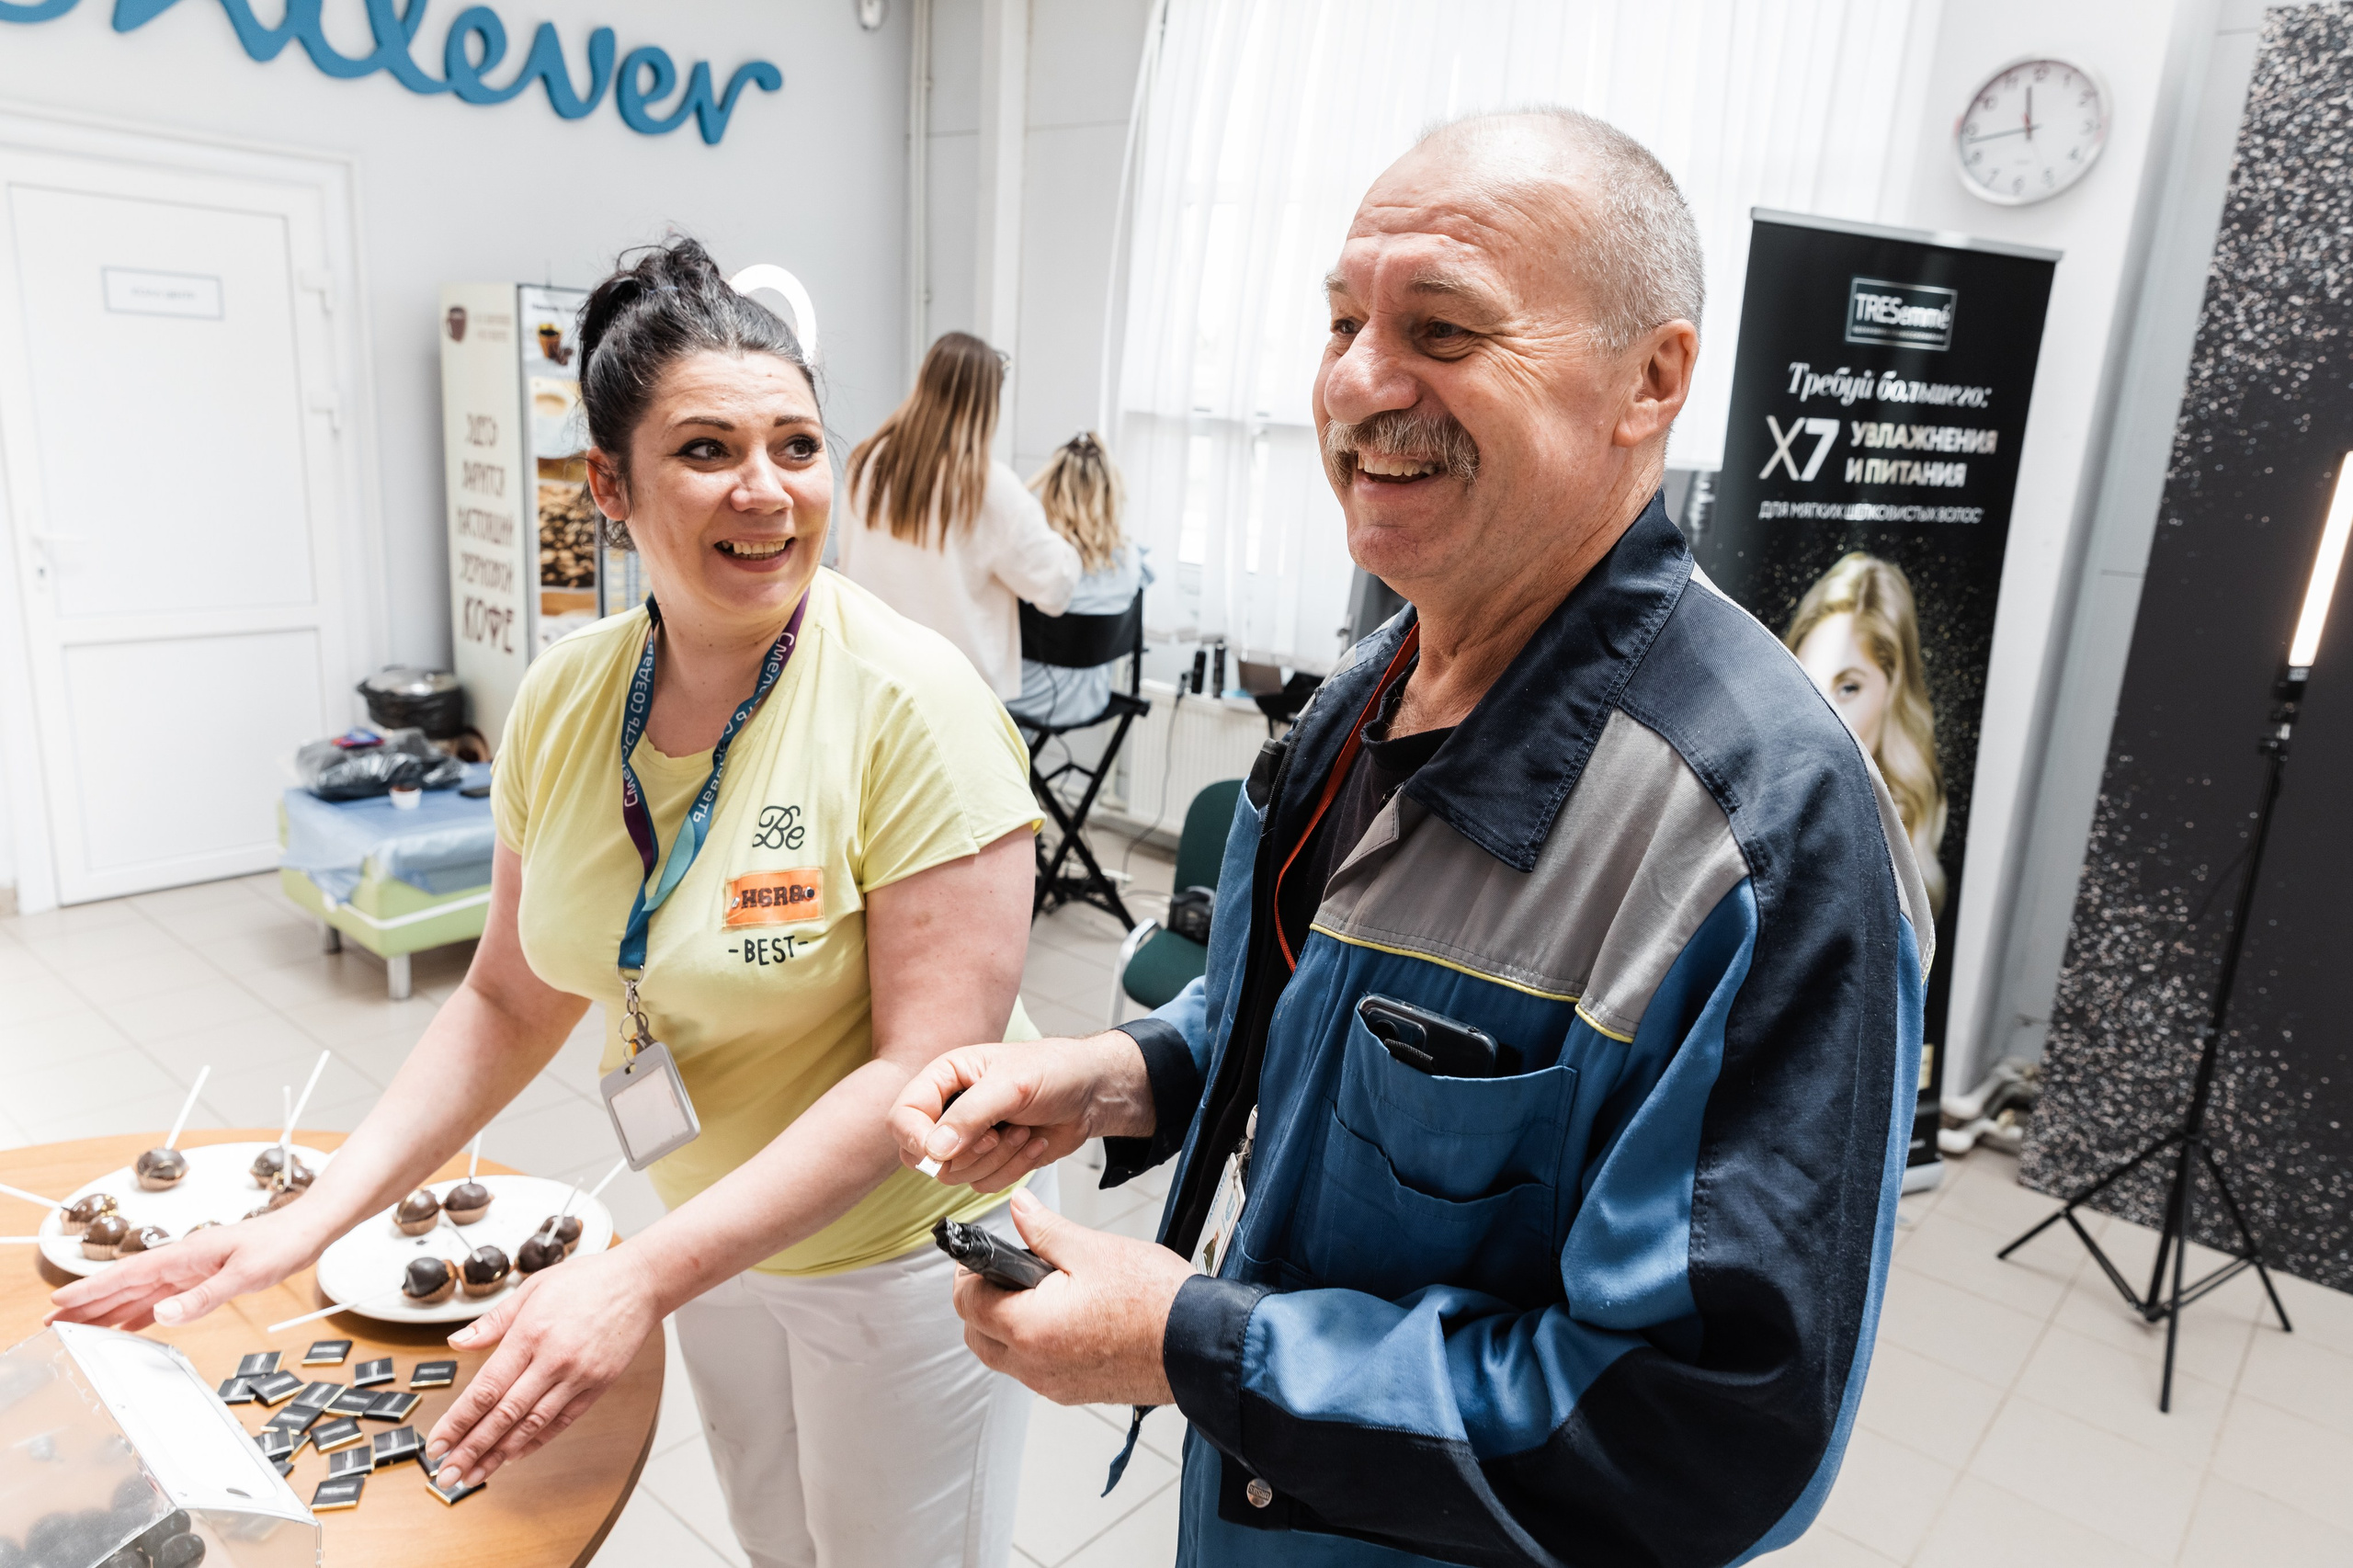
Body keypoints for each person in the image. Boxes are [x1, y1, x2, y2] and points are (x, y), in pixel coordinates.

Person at [888, 108, 1932, 1567]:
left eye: (1441, 327)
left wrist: (1195, 1343)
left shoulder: (1759, 835)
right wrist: (1130, 1073)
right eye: (1339, 320)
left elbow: (1700, 1434)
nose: (1361, 384)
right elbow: (1336, 1014)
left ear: (1651, 379)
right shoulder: (1374, 687)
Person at [52, 238, 1053, 1568]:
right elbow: (511, 993)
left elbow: (922, 1066)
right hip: (715, 1224)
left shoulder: (914, 705)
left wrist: (635, 1276)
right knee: (778, 1538)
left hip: (899, 1252)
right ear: (609, 485)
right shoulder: (568, 698)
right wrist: (306, 1218)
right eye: (707, 449)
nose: (768, 491)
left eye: (799, 446)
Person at [836, 332, 1083, 700]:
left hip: (870, 680)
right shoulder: (990, 485)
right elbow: (1054, 587)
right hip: (954, 695)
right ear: (987, 404)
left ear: (925, 379)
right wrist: (1069, 542)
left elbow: (847, 558)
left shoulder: (866, 460)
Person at [1787, 551, 1949, 916]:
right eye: (1807, 682)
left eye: (1848, 688)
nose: (1822, 713)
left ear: (1892, 692)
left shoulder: (1902, 844)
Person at [1006, 431, 1154, 729]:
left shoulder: (1045, 560)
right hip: (1092, 701)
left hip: (1026, 702)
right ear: (1111, 491)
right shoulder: (1131, 560)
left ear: (1054, 490)